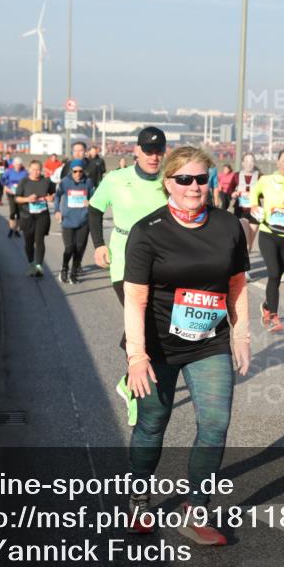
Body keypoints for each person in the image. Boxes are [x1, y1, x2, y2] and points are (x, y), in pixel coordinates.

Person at [123, 146, 250, 545]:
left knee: (214, 424)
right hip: (158, 345)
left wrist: (242, 333)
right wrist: (137, 357)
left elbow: (237, 286)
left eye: (200, 178)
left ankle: (196, 508)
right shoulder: (148, 231)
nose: (194, 187)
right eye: (184, 179)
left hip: (209, 343)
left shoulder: (228, 226)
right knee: (151, 424)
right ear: (168, 183)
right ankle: (139, 497)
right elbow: (135, 299)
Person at [88, 127, 170, 412]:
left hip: (161, 264)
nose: (154, 156)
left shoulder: (170, 181)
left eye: (159, 151)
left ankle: (128, 381)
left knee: (151, 322)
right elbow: (95, 208)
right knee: (141, 318)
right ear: (136, 151)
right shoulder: (115, 179)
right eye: (148, 151)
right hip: (124, 263)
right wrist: (99, 244)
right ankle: (134, 389)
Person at [252, 148, 284, 332]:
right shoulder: (265, 180)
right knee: (274, 274)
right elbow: (254, 192)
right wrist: (253, 205)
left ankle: (267, 305)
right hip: (267, 233)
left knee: (276, 277)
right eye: (283, 161)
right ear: (277, 161)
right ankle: (273, 317)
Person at [54, 159, 96, 284]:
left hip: (83, 220)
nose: (78, 174)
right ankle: (64, 268)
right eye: (75, 171)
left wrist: (91, 202)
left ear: (84, 171)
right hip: (68, 220)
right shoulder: (65, 182)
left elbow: (95, 197)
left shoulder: (88, 182)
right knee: (69, 248)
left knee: (79, 248)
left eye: (80, 171)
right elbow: (57, 195)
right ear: (71, 171)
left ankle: (73, 273)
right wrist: (57, 210)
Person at [14, 159, 56, 277]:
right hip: (26, 216)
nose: (36, 172)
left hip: (42, 215)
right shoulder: (24, 182)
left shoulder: (46, 181)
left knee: (39, 240)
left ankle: (39, 266)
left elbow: (54, 193)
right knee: (28, 242)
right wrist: (28, 199)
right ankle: (31, 263)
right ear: (29, 170)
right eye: (34, 170)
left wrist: (51, 197)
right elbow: (17, 198)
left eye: (38, 170)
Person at [231, 153, 262, 255]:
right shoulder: (236, 176)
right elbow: (229, 191)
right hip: (241, 211)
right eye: (247, 161)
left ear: (254, 163)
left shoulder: (260, 176)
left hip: (255, 211)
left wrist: (255, 194)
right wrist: (234, 194)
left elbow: (265, 193)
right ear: (243, 163)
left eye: (251, 161)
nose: (249, 164)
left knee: (250, 243)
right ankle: (243, 267)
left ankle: (246, 261)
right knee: (244, 236)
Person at [1, 157, 28, 238]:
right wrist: (5, 186)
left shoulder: (25, 172)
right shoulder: (9, 171)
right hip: (11, 193)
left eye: (19, 165)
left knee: (19, 213)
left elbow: (29, 181)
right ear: (13, 165)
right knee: (13, 212)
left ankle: (16, 229)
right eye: (16, 165)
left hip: (21, 194)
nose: (17, 166)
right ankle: (11, 228)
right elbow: (2, 179)